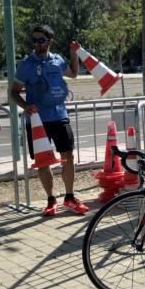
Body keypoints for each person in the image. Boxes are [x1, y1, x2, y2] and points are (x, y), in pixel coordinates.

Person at [10, 24, 89, 216]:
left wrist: (74, 54)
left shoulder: (57, 60)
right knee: (43, 161)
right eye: (34, 40)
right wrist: (25, 106)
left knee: (68, 156)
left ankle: (69, 198)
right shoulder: (26, 64)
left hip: (59, 116)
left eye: (41, 40)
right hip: (37, 122)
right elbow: (13, 92)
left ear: (50, 41)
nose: (37, 44)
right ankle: (50, 200)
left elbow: (73, 73)